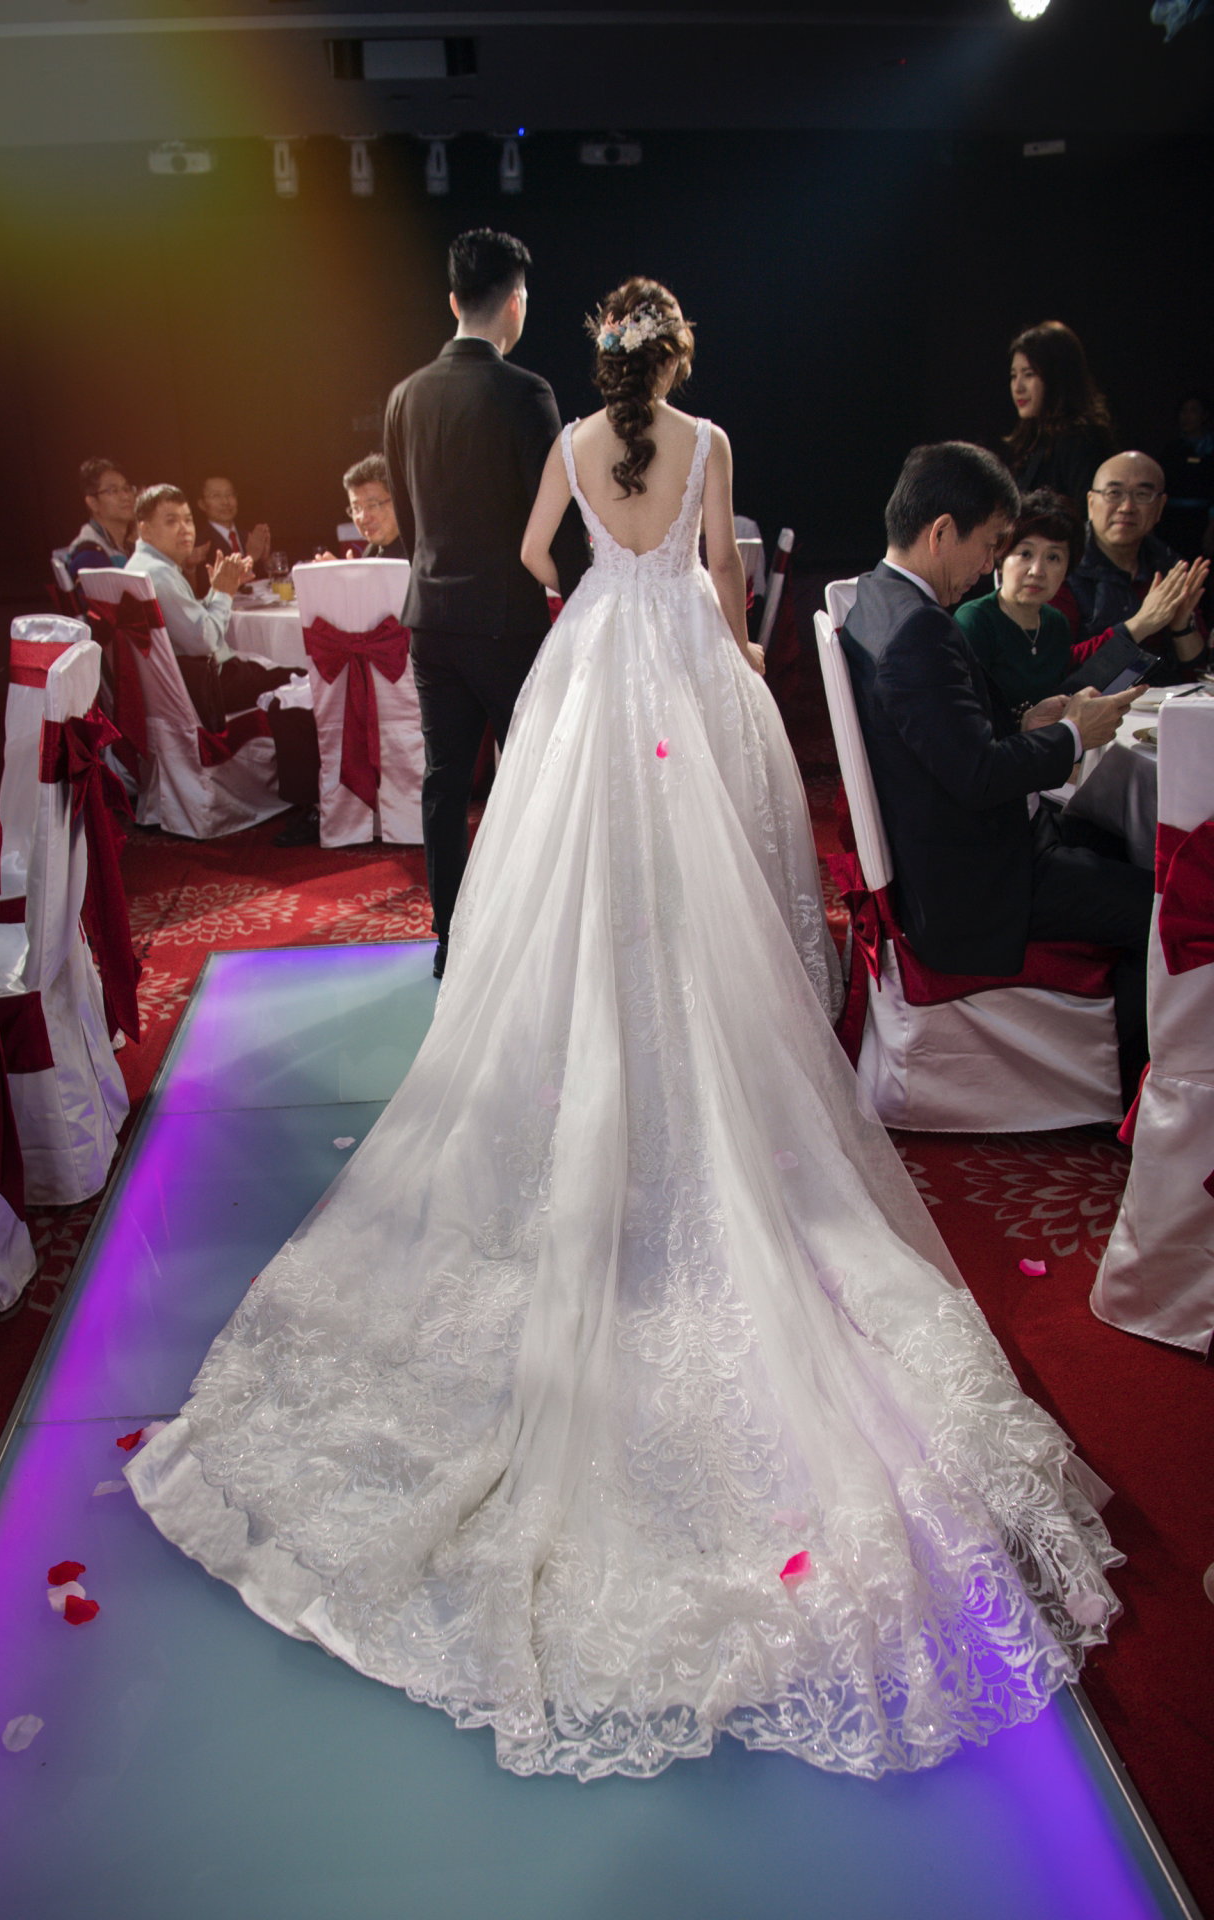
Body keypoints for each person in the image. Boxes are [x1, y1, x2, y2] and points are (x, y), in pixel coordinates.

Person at [128, 284, 1121, 1787]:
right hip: (681, 676)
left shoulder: (574, 446)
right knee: (702, 879)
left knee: (570, 877)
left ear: (600, 367)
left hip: (592, 666)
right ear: (682, 363)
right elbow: (722, 581)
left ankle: (592, 1031)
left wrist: (599, 586)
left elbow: (538, 557)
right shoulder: (708, 443)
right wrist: (706, 640)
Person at [841, 441, 1153, 1102]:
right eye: (988, 546)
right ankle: (1138, 1097)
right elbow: (979, 776)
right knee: (1164, 909)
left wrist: (1026, 722)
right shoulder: (918, 630)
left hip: (960, 852)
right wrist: (1075, 734)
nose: (988, 567)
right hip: (980, 886)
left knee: (1119, 845)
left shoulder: (876, 598)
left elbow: (943, 738)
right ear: (941, 533)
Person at [384, 228, 589, 977]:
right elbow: (555, 520)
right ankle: (526, 937)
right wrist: (585, 595)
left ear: (453, 302)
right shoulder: (525, 392)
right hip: (505, 624)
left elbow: (408, 520)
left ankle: (450, 938)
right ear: (516, 303)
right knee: (528, 777)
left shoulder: (405, 395)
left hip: (431, 619)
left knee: (444, 782)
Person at [954, 489, 1150, 721]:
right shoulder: (975, 620)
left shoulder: (1057, 624)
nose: (1037, 571)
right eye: (1025, 554)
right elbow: (963, 717)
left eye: (1053, 557)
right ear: (1001, 558)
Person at [130, 484, 298, 723]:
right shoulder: (159, 573)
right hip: (210, 688)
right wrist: (224, 592)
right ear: (145, 530)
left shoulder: (140, 565)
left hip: (184, 686)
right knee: (304, 678)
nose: (185, 529)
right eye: (171, 521)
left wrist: (218, 589)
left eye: (188, 520)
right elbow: (205, 640)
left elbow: (189, 623)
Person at [1064, 450, 1210, 685]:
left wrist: (1181, 626)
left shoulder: (1170, 566)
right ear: (1091, 503)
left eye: (1142, 495)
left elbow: (1198, 679)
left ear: (1160, 507)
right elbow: (1059, 669)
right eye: (1114, 493)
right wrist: (1141, 624)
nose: (1127, 507)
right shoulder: (1062, 565)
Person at [1004, 320, 1115, 509]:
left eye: (1029, 374)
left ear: (1056, 377)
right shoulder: (1031, 438)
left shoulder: (1080, 439)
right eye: (1014, 376)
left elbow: (1088, 513)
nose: (1018, 387)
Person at [313, 454, 408, 562]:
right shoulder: (372, 550)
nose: (363, 519)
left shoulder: (417, 555)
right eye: (356, 508)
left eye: (372, 505)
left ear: (398, 502)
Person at [1158, 391, 1214, 563]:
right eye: (1184, 411)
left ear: (1204, 416)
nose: (1187, 417)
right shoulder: (1171, 449)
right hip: (1171, 521)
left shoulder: (1210, 449)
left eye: (1193, 411)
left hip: (1201, 522)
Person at [67, 458, 137, 576]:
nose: (126, 496)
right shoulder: (89, 555)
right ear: (93, 503)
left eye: (126, 489)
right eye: (113, 491)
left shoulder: (125, 546)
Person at [193, 473, 272, 577]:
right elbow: (207, 585)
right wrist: (250, 557)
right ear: (202, 504)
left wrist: (265, 559)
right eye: (216, 496)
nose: (225, 502)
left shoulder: (248, 536)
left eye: (229, 494)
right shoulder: (199, 543)